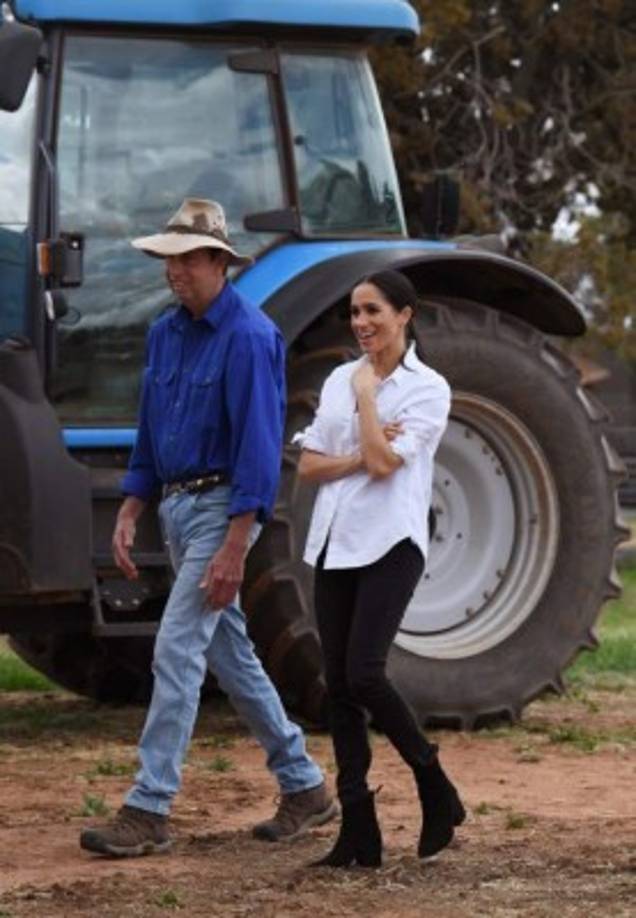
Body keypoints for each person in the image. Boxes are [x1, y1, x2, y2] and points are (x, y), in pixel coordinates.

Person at [80, 198, 336, 858]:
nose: (175, 271)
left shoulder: (249, 337)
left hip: (222, 513)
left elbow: (258, 447)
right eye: (169, 259)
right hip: (175, 510)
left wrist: (235, 544)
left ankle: (149, 806)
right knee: (229, 655)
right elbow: (151, 427)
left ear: (220, 263)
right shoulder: (165, 334)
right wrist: (132, 507)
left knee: (176, 649)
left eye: (188, 259)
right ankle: (305, 785)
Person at [294, 269, 465, 868]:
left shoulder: (428, 389)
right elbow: (309, 467)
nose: (361, 322)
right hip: (334, 543)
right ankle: (358, 833)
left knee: (365, 673)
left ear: (404, 315)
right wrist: (360, 449)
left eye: (373, 311)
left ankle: (433, 782)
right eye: (355, 312)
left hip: (391, 543)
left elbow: (387, 464)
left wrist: (367, 400)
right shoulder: (337, 379)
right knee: (338, 687)